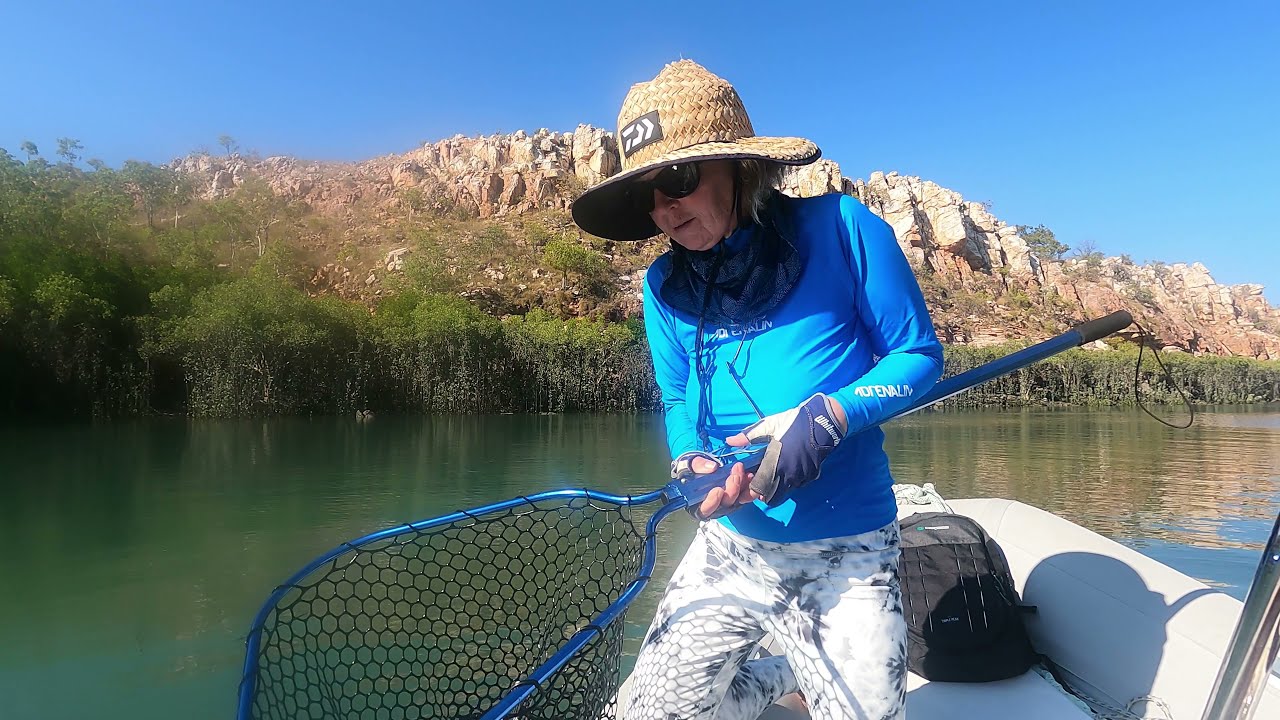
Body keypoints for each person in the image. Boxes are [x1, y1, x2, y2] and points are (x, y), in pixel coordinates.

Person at [571, 60, 944, 720]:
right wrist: (690, 460)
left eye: (678, 181)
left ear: (740, 169)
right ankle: (780, 675)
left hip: (849, 551)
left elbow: (917, 355)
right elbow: (678, 395)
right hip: (732, 547)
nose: (663, 208)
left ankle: (800, 668)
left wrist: (832, 414)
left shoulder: (844, 228)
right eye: (646, 198)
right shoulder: (662, 289)